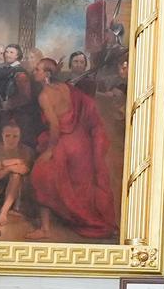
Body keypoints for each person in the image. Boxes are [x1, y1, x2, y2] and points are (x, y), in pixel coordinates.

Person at [32, 74, 120, 239]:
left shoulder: (44, 95)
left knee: (40, 174)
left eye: (38, 69)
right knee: (80, 184)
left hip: (63, 142)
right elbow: (87, 107)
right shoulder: (67, 88)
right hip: (80, 141)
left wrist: (50, 150)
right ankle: (89, 218)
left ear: (47, 74)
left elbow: (55, 125)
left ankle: (45, 228)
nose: (35, 71)